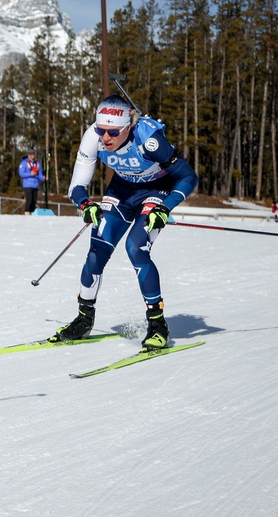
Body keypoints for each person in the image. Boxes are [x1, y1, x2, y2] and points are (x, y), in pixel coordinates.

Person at [51, 95, 199, 351]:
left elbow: (188, 177)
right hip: (122, 190)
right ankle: (84, 319)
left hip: (157, 190)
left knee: (136, 247)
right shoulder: (92, 138)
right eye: (101, 130)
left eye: (113, 132)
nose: (105, 138)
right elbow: (77, 186)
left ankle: (157, 325)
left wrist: (165, 208)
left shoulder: (150, 142)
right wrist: (85, 204)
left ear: (128, 127)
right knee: (98, 248)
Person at [18, 148, 45, 214]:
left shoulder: (38, 164)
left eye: (32, 154)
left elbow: (39, 175)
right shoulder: (24, 163)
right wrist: (30, 174)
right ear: (28, 155)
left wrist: (44, 178)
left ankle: (33, 213)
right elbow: (21, 173)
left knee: (34, 201)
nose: (31, 156)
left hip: (35, 185)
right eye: (30, 154)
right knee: (29, 200)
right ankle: (27, 213)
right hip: (27, 184)